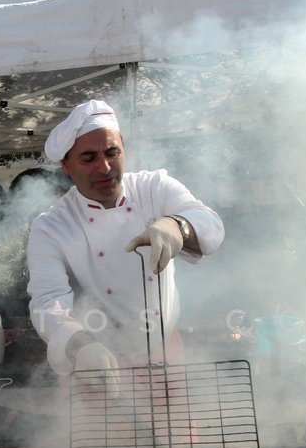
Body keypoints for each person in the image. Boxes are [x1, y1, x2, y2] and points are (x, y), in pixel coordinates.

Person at [26, 100, 225, 389]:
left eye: (112, 153)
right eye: (88, 158)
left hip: (165, 350)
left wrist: (178, 226)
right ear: (66, 165)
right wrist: (80, 344)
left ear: (123, 150)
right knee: (98, 435)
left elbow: (210, 224)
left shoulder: (154, 187)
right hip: (97, 359)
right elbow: (47, 302)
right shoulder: (52, 226)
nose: (104, 167)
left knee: (182, 433)